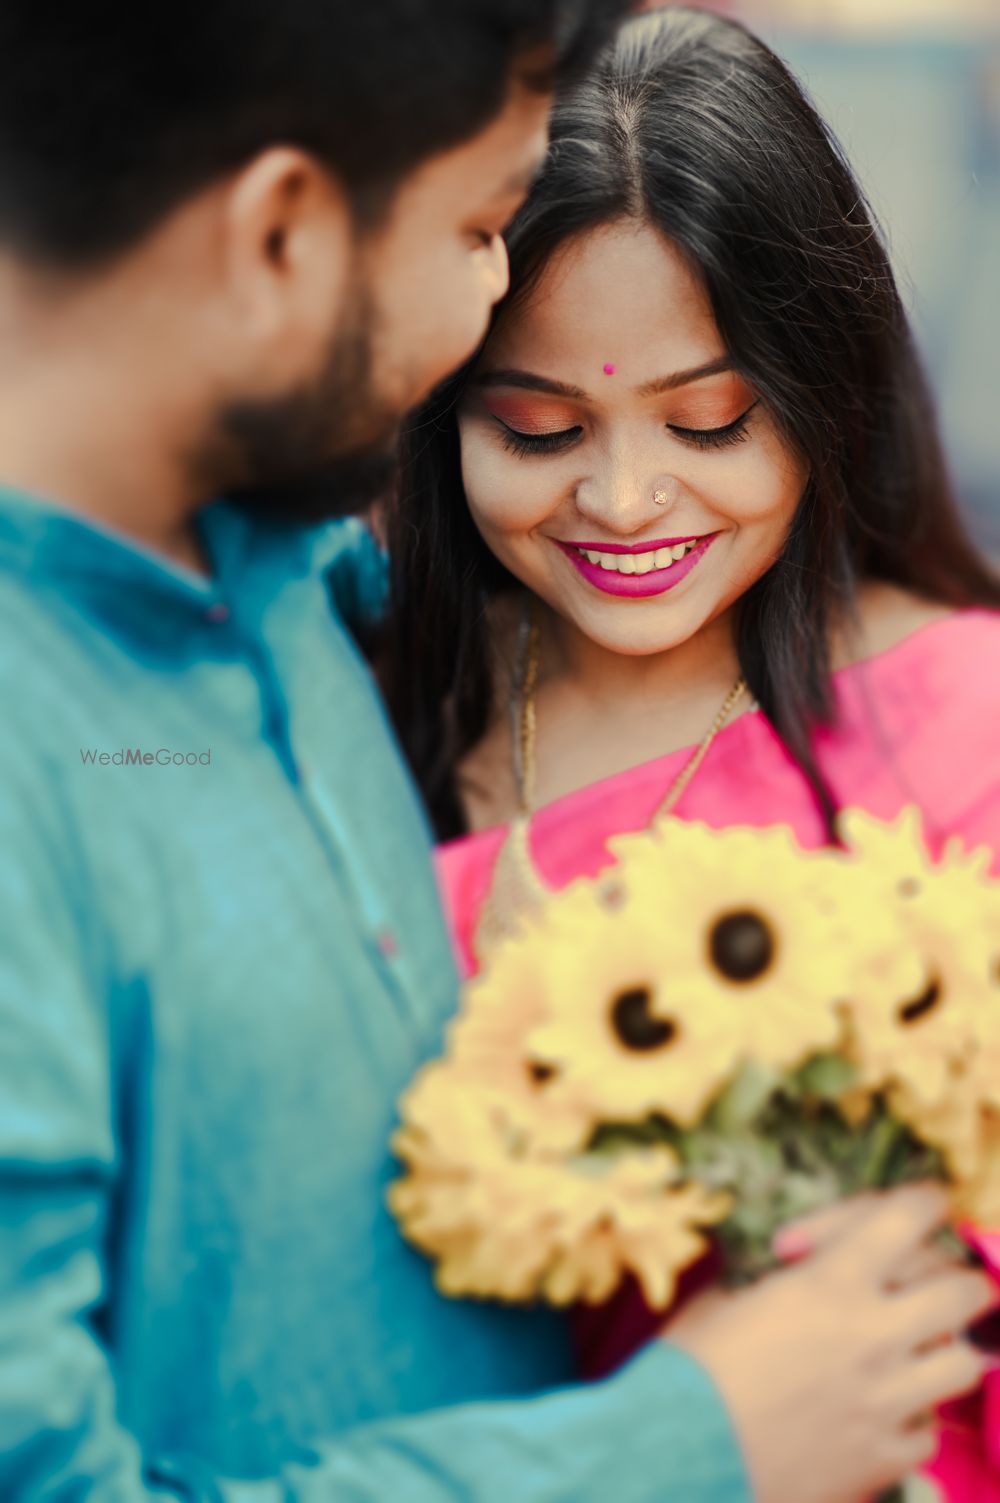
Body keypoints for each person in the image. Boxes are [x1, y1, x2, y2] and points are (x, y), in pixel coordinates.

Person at [0, 4, 781, 1502]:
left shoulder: (278, 550)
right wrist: (700, 1442)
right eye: (485, 226)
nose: (496, 293)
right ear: (282, 234)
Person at [383, 7, 1000, 1499]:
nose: (626, 498)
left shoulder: (965, 725)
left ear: (826, 390)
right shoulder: (362, 704)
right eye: (536, 430)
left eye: (711, 420)